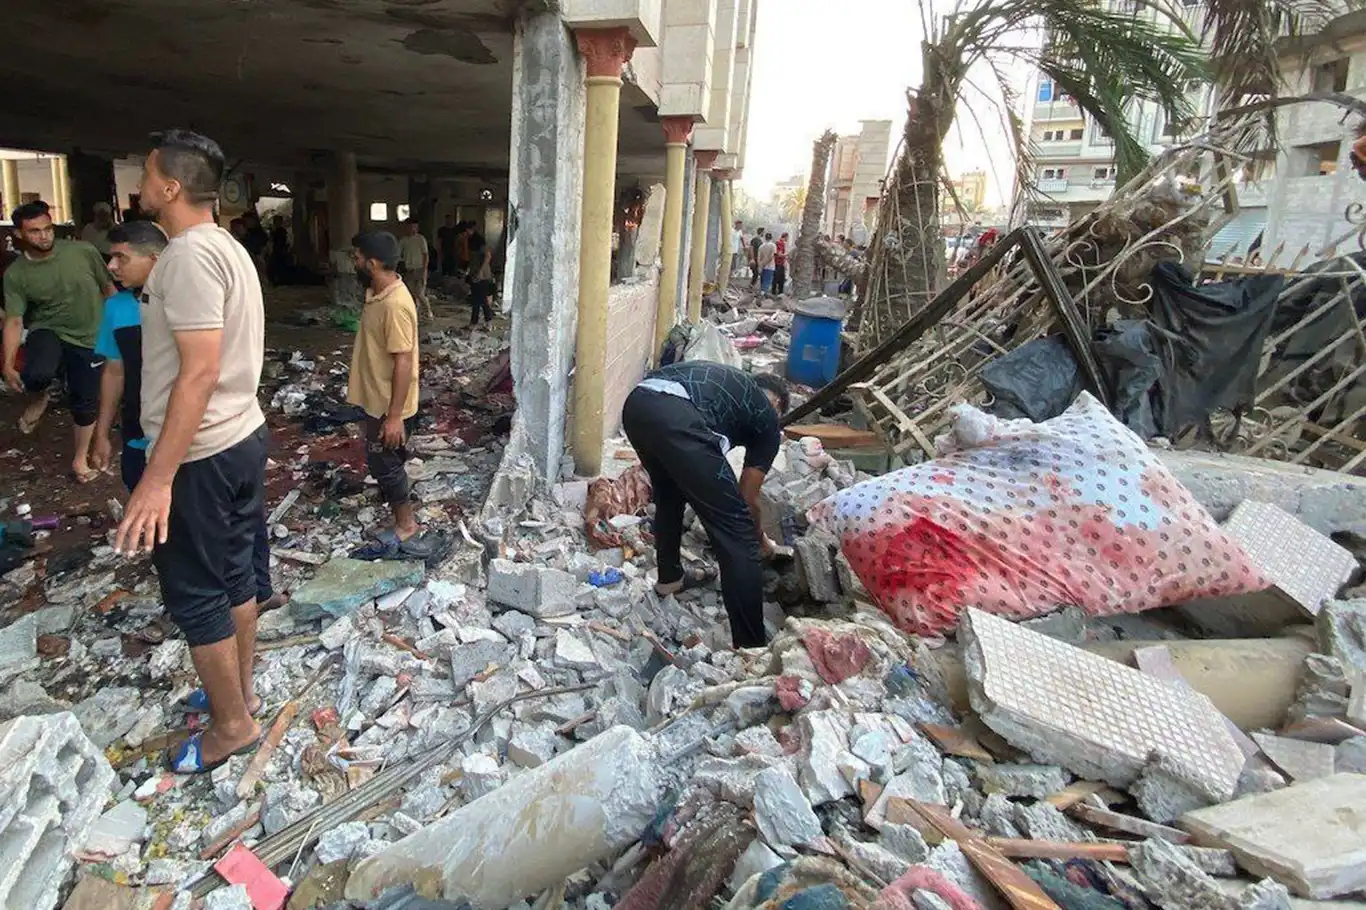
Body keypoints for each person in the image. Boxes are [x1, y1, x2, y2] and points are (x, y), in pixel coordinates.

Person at [114, 129, 268, 775]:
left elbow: (198, 372)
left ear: (170, 187)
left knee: (196, 591)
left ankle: (231, 727)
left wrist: (156, 479)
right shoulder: (225, 248)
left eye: (147, 174)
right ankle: (241, 695)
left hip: (201, 453)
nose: (139, 184)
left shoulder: (186, 258)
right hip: (239, 437)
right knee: (234, 574)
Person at [94, 221, 288, 617]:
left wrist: (162, 475)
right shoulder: (118, 309)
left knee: (222, 564)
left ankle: (226, 607)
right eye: (109, 258)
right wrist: (101, 432)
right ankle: (204, 603)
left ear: (155, 259)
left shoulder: (192, 280)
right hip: (146, 433)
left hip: (200, 440)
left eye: (121, 257)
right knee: (184, 544)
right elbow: (114, 371)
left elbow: (200, 373)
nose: (112, 266)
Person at [621, 362, 789, 648]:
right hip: (677, 414)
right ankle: (751, 647)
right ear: (777, 406)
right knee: (738, 533)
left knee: (669, 495)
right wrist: (761, 541)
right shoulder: (768, 421)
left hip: (638, 404)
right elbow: (747, 499)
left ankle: (670, 577)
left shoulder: (732, 388)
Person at [2, 200, 115, 481]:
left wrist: (118, 328)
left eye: (48, 228)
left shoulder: (83, 252)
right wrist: (6, 364)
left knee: (84, 401)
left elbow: (109, 288)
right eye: (34, 231)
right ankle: (40, 395)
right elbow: (14, 320)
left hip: (89, 336)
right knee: (36, 374)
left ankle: (80, 460)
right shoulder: (16, 274)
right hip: (47, 329)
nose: (44, 236)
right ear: (19, 235)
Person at [346, 232, 435, 560]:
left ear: (372, 263)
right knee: (389, 459)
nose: (353, 262)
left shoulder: (396, 304)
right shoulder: (376, 294)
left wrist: (394, 415)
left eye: (357, 258)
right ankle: (400, 516)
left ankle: (406, 524)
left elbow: (404, 361)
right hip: (377, 399)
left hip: (388, 404)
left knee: (384, 463)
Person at [398, 218, 433, 319]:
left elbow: (425, 255)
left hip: (420, 269)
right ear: (407, 227)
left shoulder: (421, 239)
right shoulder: (403, 240)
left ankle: (428, 311)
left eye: (415, 227)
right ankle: (414, 313)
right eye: (410, 227)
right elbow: (398, 254)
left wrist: (424, 269)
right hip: (409, 270)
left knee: (420, 293)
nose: (413, 229)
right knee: (411, 293)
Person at [467, 232, 495, 328]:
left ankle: (488, 321)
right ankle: (474, 322)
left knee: (483, 301)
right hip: (475, 275)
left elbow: (487, 258)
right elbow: (472, 262)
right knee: (475, 301)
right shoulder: (473, 250)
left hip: (482, 277)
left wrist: (480, 272)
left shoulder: (482, 248)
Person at [267, 215, 290, 286]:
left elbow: (281, 242)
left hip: (279, 252)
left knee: (279, 267)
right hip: (276, 251)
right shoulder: (276, 231)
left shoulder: (281, 231)